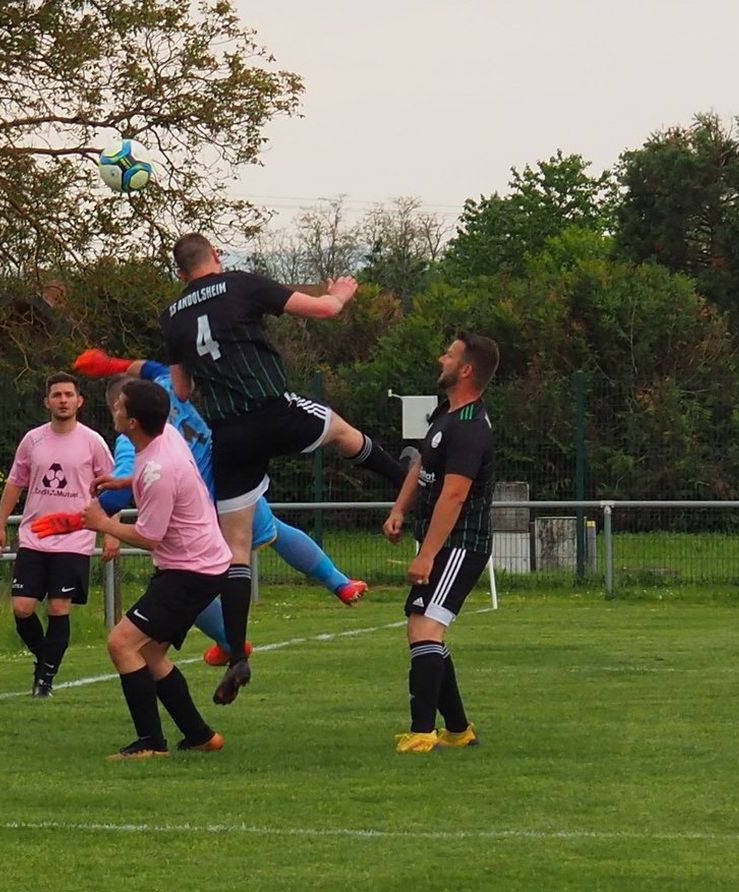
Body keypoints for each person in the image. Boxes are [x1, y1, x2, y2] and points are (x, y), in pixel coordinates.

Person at [161, 234, 411, 705]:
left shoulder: (172, 316)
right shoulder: (240, 283)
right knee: (342, 432)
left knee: (236, 550)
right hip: (272, 410)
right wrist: (341, 293)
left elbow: (182, 389)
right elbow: (324, 310)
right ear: (216, 256)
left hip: (228, 434)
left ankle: (237, 652)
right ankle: (409, 480)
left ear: (180, 273)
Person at [74, 350, 369, 663]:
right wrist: (109, 364)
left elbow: (117, 495)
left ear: (119, 409)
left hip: (199, 515)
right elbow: (157, 368)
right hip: (231, 483)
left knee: (187, 581)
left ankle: (230, 642)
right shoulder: (168, 392)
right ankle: (339, 582)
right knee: (277, 531)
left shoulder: (132, 438)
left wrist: (82, 517)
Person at [78, 379, 232, 759]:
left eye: (119, 406)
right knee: (149, 653)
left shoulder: (157, 469)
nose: (114, 409)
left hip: (190, 571)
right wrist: (125, 480)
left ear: (132, 422)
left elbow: (150, 537)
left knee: (121, 643)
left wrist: (103, 523)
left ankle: (150, 743)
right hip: (200, 565)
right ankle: (201, 736)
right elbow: (164, 477)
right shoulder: (167, 438)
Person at [383, 332, 499, 753]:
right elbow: (421, 465)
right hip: (442, 544)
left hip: (461, 544)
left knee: (425, 627)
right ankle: (457, 729)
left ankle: (422, 732)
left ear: (466, 370)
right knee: (422, 626)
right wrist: (399, 509)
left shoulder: (470, 428)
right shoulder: (445, 414)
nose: (440, 359)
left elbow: (454, 495)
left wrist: (428, 555)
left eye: (449, 355)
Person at [0, 372, 114, 697]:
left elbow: (111, 488)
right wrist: (0, 524)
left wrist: (111, 531)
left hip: (74, 538)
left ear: (79, 401)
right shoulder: (33, 440)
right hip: (35, 536)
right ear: (46, 401)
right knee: (22, 608)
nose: (63, 400)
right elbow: (15, 482)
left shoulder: (93, 442)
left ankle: (44, 679)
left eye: (68, 395)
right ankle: (45, 658)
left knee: (59, 608)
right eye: (56, 395)